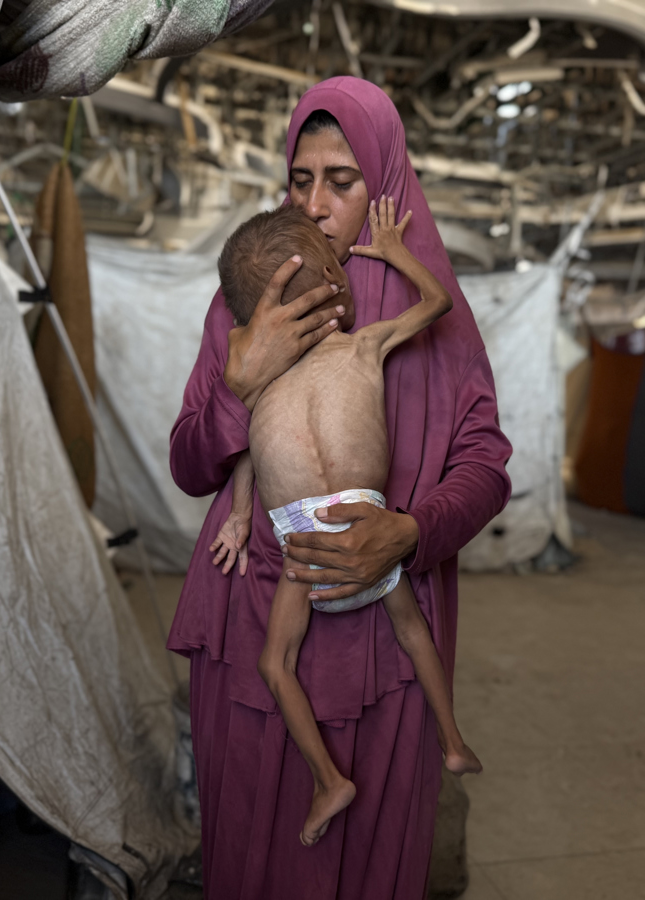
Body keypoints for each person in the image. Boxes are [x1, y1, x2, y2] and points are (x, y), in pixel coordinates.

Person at [167, 76, 512, 897]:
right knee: (252, 837)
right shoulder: (247, 303)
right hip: (255, 611)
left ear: (385, 184)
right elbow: (189, 464)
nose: (316, 205)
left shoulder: (435, 315)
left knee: (367, 855)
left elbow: (486, 466)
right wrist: (235, 389)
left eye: (342, 181)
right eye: (300, 179)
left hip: (382, 644)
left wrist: (410, 532)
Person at [210, 198, 483, 848]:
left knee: (278, 666)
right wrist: (396, 253)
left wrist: (239, 517)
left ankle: (328, 779)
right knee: (415, 635)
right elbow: (436, 303)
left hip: (303, 540)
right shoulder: (363, 346)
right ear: (336, 285)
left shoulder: (262, 382)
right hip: (365, 524)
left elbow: (249, 452)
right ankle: (452, 740)